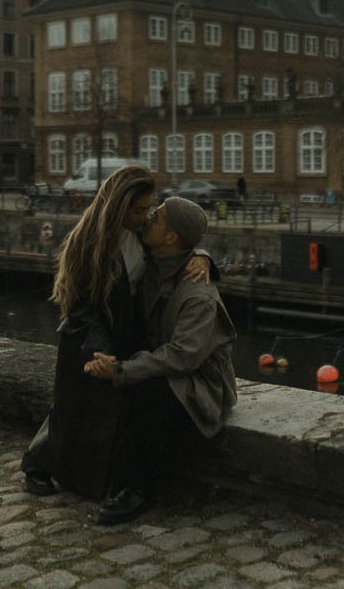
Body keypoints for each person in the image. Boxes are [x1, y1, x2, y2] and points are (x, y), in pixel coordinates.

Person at [21, 167, 211, 500]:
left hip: (122, 332)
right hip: (87, 336)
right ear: (119, 206)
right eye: (138, 210)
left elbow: (174, 245)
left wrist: (202, 257)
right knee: (72, 411)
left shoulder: (138, 232)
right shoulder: (89, 243)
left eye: (148, 210)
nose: (145, 217)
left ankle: (99, 478)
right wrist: (101, 351)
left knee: (107, 413)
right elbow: (82, 308)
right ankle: (35, 466)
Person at [85, 197, 238, 525]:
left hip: (201, 384)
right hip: (172, 365)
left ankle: (140, 490)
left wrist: (122, 370)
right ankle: (110, 475)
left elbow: (182, 357)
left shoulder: (199, 296)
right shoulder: (156, 261)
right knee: (127, 386)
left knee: (150, 393)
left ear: (170, 238)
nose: (148, 218)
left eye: (157, 217)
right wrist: (203, 254)